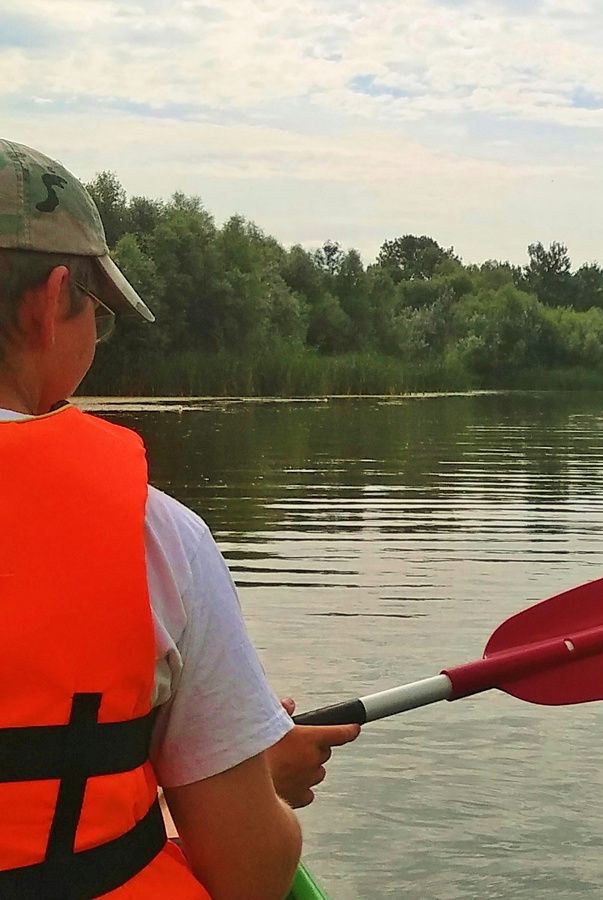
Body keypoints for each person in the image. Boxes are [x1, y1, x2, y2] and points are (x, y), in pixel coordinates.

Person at [0, 139, 359, 900]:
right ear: (47, 302)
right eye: (96, 311)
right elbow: (252, 873)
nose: (97, 334)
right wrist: (252, 775)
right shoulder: (157, 538)